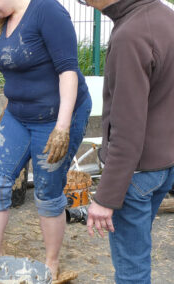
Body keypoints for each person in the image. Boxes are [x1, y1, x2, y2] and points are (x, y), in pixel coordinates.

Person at [0, 0, 92, 282]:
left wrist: (63, 127)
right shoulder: (6, 20)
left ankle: (51, 264)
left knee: (46, 192)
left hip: (57, 117)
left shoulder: (48, 11)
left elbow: (68, 71)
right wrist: (8, 106)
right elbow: (16, 73)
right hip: (18, 116)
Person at [81, 0, 174, 283]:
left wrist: (106, 197)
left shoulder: (131, 34)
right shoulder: (165, 16)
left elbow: (127, 127)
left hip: (136, 175)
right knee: (139, 251)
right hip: (164, 165)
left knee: (132, 270)